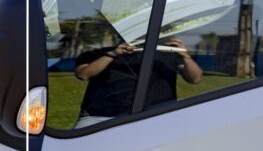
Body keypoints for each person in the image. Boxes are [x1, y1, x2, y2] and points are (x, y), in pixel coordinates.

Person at [73, 37, 202, 128]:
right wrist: (113, 54)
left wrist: (185, 55)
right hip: (100, 116)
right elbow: (83, 74)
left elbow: (195, 78)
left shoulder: (167, 53)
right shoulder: (98, 53)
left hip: (155, 117)